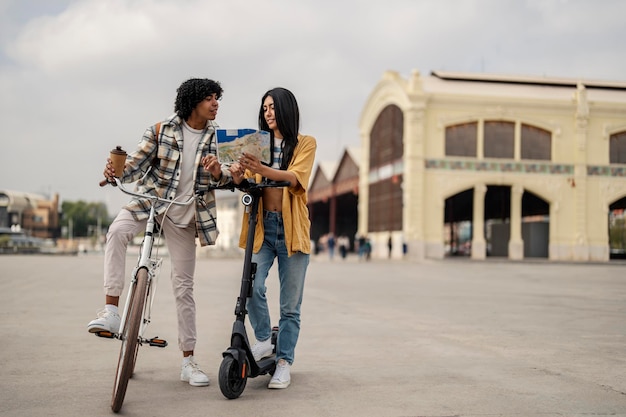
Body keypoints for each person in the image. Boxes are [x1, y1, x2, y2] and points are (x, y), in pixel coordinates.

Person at [87, 78, 232, 387]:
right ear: (193, 101)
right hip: (151, 202)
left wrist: (219, 171)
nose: (215, 103)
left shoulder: (219, 137)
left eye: (217, 97)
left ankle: (188, 361)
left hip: (186, 214)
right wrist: (116, 172)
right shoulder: (160, 130)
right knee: (116, 232)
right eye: (209, 97)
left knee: (184, 287)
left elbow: (231, 175)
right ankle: (111, 311)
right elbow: (135, 167)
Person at [224, 87, 316, 389]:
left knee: (290, 307)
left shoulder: (304, 143)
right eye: (264, 107)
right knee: (251, 287)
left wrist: (262, 168)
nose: (268, 112)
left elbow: (294, 178)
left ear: (287, 109)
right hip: (261, 227)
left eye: (273, 106)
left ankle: (284, 362)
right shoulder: (256, 144)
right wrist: (236, 174)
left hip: (292, 232)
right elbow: (244, 181)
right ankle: (264, 340)